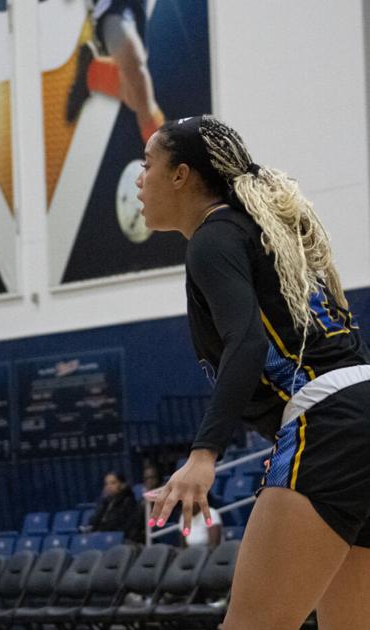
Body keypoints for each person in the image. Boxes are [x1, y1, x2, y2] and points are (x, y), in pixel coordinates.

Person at [140, 115, 370, 629]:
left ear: (181, 175)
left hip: (327, 422)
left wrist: (204, 454)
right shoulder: (262, 232)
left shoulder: (212, 238)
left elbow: (248, 342)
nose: (139, 178)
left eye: (147, 164)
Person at [66, 0, 164, 144]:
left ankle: (92, 73)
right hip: (113, 13)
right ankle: (166, 154)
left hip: (135, 15)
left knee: (135, 95)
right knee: (138, 80)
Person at [86, 472, 143, 544]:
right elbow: (94, 522)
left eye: (113, 483)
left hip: (120, 540)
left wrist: (102, 533)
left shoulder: (129, 502)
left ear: (123, 485)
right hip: (103, 538)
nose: (108, 486)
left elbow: (125, 527)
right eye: (106, 484)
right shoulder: (105, 503)